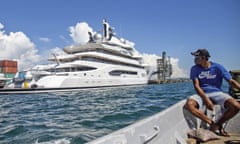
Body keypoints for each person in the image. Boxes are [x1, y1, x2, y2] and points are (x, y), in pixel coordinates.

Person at [185, 48, 240, 136]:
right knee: (189, 105)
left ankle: (218, 124)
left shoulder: (218, 67)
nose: (194, 59)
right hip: (202, 93)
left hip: (217, 93)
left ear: (203, 58)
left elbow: (231, 81)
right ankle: (212, 123)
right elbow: (196, 85)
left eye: (196, 57)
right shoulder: (194, 69)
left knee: (236, 106)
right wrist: (206, 99)